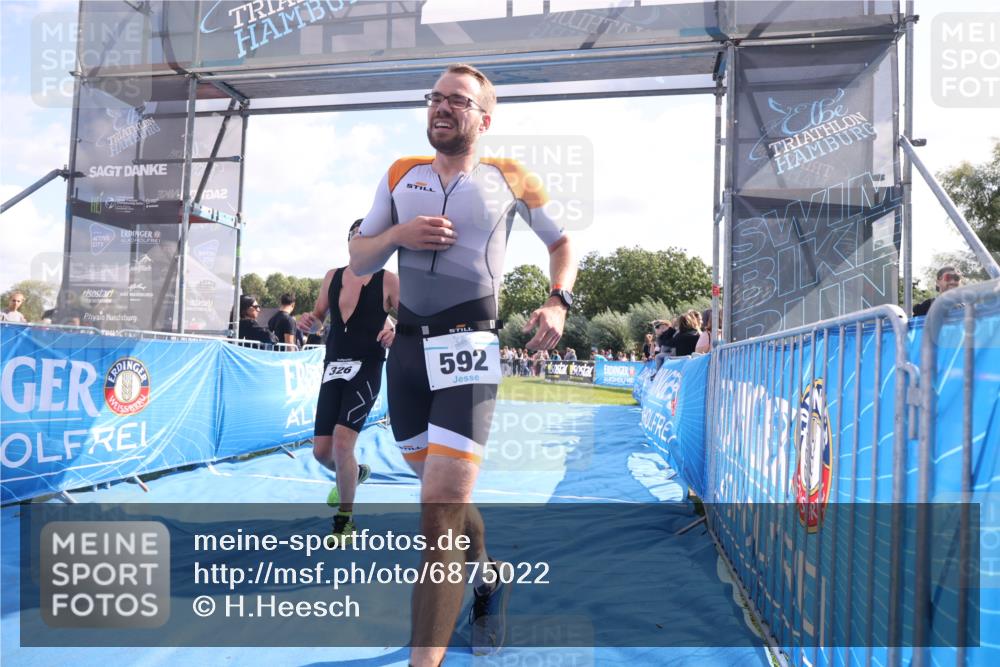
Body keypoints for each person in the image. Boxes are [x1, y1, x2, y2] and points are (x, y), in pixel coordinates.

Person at [348, 63, 576, 664]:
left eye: (457, 100)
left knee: (438, 513)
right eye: (435, 98)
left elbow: (562, 243)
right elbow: (360, 258)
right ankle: (490, 574)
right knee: (441, 496)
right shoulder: (401, 174)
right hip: (407, 357)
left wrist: (558, 300)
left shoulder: (511, 176)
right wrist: (400, 233)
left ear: (483, 117)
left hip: (469, 349)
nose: (441, 108)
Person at [299, 220, 399, 543]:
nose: (362, 242)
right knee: (321, 452)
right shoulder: (333, 276)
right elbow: (317, 319)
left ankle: (345, 520)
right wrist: (309, 322)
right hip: (333, 368)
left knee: (343, 443)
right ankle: (352, 474)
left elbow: (412, 319)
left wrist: (396, 329)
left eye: (369, 238)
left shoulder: (388, 281)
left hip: (366, 368)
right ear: (350, 242)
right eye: (358, 237)